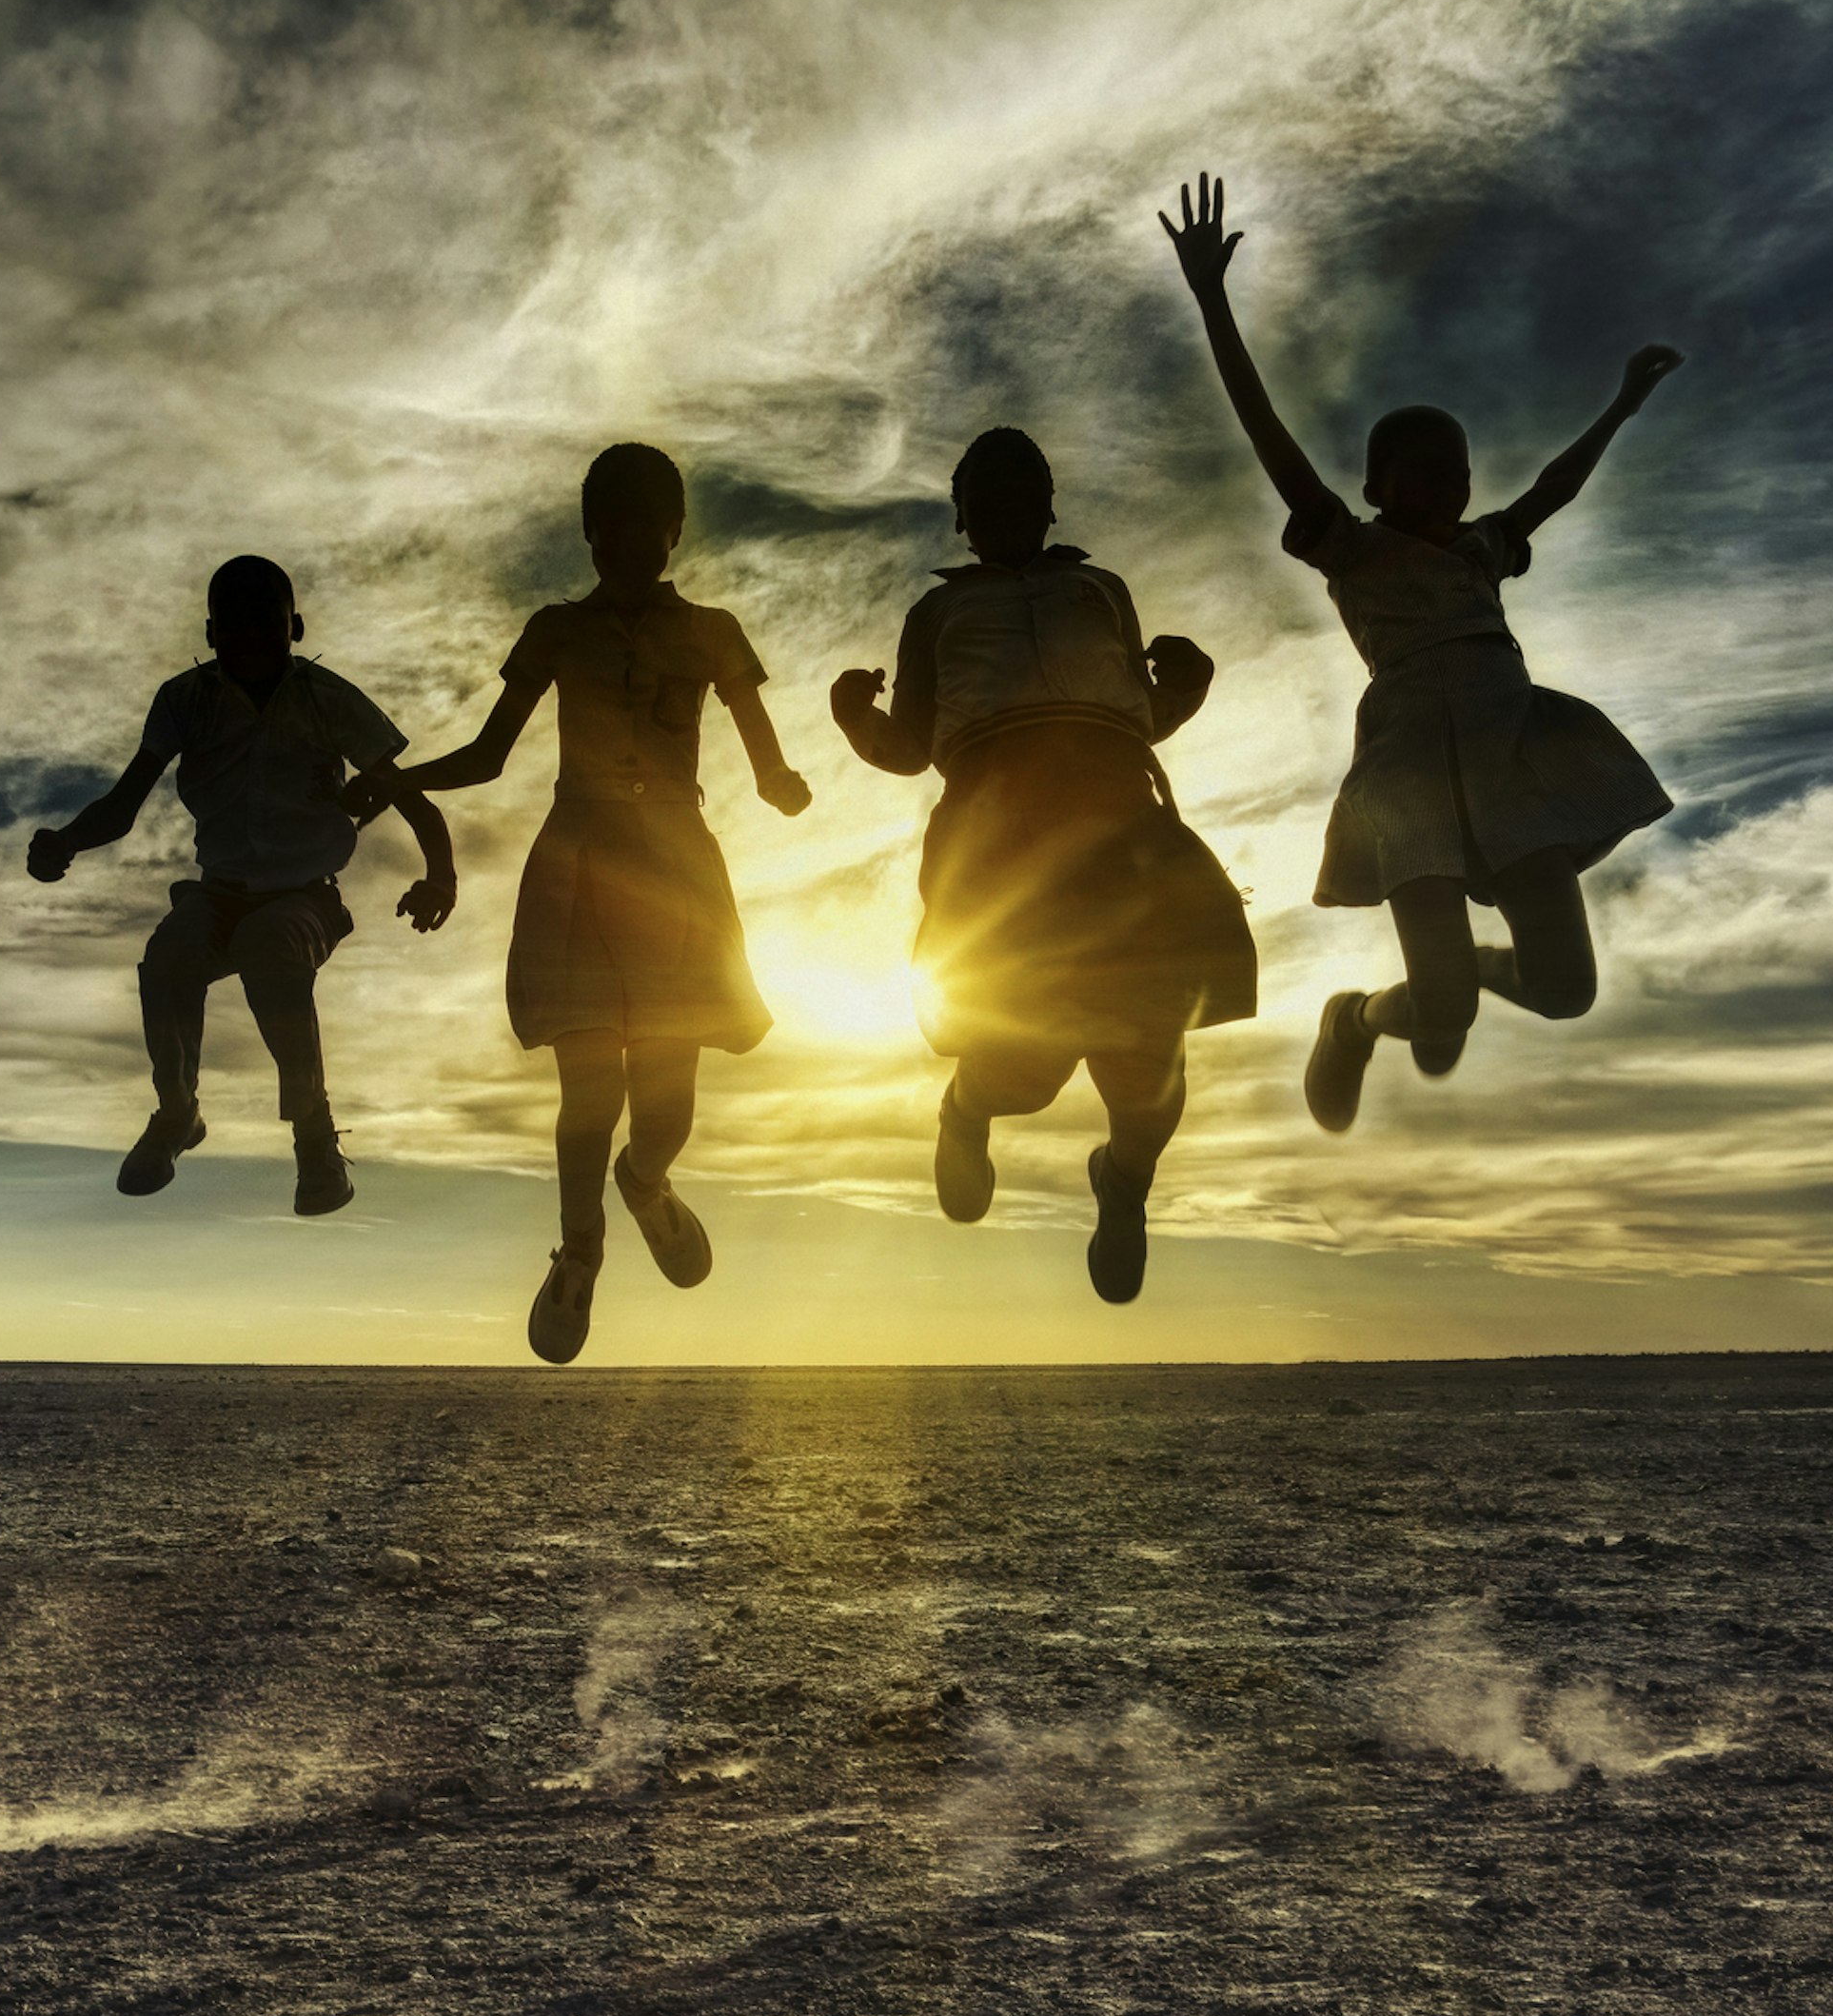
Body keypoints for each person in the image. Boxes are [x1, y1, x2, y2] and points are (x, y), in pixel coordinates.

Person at [1160, 173, 1680, 1131]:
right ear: (1376, 482)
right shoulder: (1349, 545)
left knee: (1567, 989)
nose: (1447, 480)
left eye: (1459, 468)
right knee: (1439, 1006)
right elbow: (1266, 432)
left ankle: (1474, 976)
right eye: (1422, 467)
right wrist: (1211, 300)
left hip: (1512, 756)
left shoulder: (1484, 549)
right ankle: (1355, 1019)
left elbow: (1554, 488)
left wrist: (1622, 405)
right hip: (1408, 773)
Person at [356, 444, 810, 1363]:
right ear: (589, 535)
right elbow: (489, 755)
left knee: (668, 1110)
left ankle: (646, 1184)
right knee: (590, 1088)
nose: (627, 546)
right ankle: (581, 1253)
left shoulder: (714, 631)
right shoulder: (557, 630)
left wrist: (782, 782)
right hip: (580, 864)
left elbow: (764, 751)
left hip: (676, 869)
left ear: (674, 533)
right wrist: (395, 778)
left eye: (647, 529)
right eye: (609, 531)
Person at [828, 428, 1254, 1302]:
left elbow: (1132, 715)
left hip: (1122, 835)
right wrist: (851, 720)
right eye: (986, 503)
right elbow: (911, 747)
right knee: (1029, 1060)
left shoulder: (1100, 589)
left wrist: (1187, 685)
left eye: (1024, 495)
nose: (1007, 514)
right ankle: (968, 1109)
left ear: (1051, 504)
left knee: (1149, 1058)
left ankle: (1124, 1185)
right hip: (999, 846)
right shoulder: (936, 615)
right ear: (962, 521)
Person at [26, 556, 455, 1216]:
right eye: (235, 626)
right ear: (210, 633)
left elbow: (410, 796)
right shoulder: (185, 702)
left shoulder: (326, 698)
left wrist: (440, 876)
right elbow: (122, 804)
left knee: (270, 947)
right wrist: (66, 842)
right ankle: (178, 1113)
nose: (251, 638)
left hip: (302, 896)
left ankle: (313, 1134)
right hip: (218, 893)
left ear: (296, 627)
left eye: (269, 623)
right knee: (169, 956)